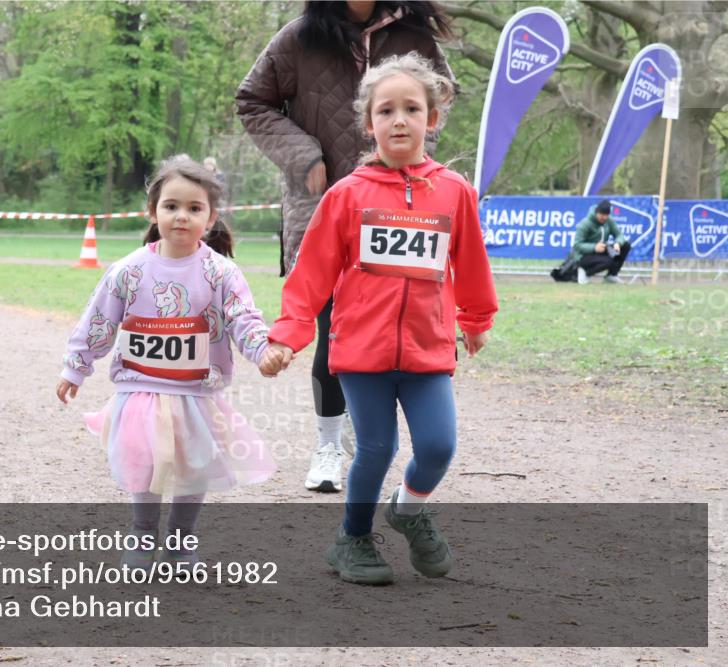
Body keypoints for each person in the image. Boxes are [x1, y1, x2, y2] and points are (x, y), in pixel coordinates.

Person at [262, 53, 497, 585]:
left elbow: (471, 262)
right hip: (361, 353)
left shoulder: (454, 192)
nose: (399, 120)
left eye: (411, 109)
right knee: (377, 447)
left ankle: (408, 509)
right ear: (369, 124)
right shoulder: (347, 194)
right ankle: (352, 539)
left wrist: (476, 317)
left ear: (431, 119)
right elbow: (312, 274)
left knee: (438, 446)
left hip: (426, 350)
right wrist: (288, 336)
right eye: (385, 110)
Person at [236, 0, 456, 493]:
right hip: (320, 202)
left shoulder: (414, 34)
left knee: (394, 320)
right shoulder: (299, 37)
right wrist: (302, 154)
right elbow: (251, 101)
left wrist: (413, 161)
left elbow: (441, 94)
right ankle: (328, 443)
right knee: (331, 328)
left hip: (401, 211)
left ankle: (369, 423)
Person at [56, 155, 278, 570]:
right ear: (152, 211)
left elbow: (243, 318)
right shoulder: (129, 270)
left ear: (211, 218)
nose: (181, 216)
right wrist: (76, 367)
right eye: (171, 206)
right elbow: (99, 319)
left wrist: (263, 351)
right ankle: (143, 536)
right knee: (145, 460)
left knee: (194, 466)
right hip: (141, 388)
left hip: (196, 391)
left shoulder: (221, 273)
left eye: (194, 208)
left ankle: (179, 543)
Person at [572, 200, 630, 284]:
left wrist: (618, 243)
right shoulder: (585, 224)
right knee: (610, 261)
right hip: (583, 256)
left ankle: (612, 275)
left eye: (606, 215)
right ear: (596, 213)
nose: (604, 217)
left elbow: (619, 235)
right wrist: (594, 247)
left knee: (625, 245)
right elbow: (577, 245)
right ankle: (584, 271)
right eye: (601, 215)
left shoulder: (609, 221)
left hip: (601, 251)